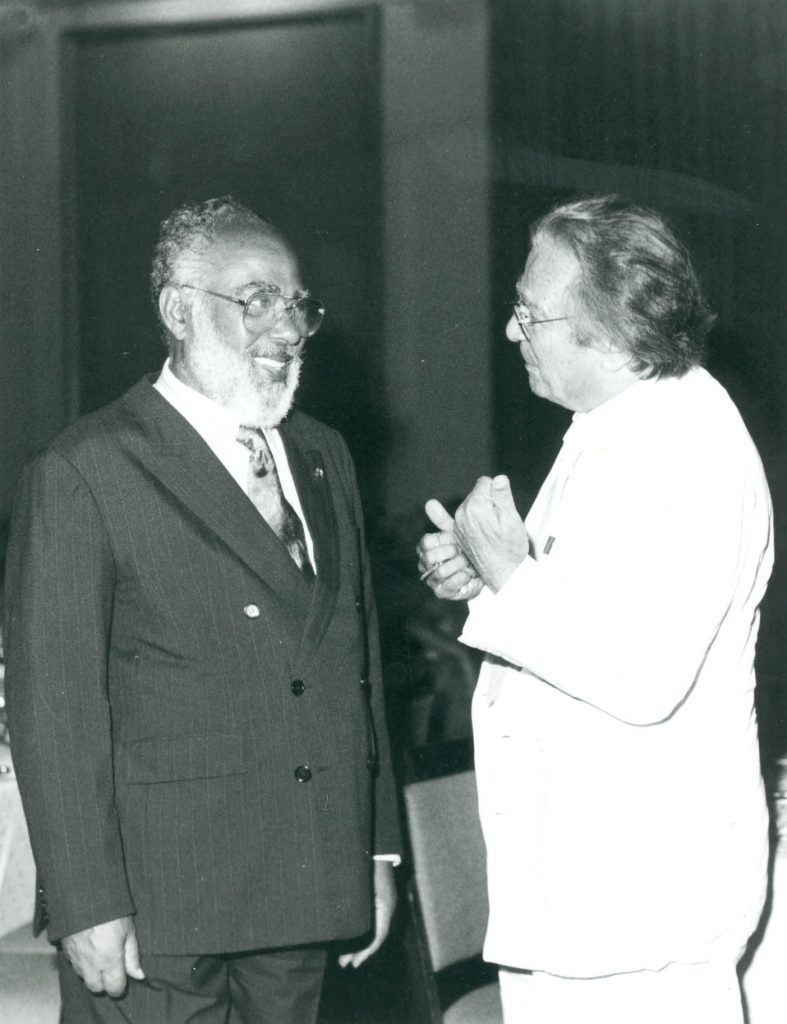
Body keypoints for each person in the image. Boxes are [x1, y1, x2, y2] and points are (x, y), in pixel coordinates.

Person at [4, 196, 401, 1024]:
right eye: (256, 298)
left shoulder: (322, 454)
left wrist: (374, 845)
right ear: (179, 311)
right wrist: (84, 902)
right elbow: (56, 709)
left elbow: (351, 668)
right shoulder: (87, 468)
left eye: (298, 304)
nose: (287, 327)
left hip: (304, 884)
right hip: (159, 906)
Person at [417, 195, 773, 1024]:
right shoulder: (614, 423)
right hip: (582, 906)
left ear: (610, 333)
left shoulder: (687, 450)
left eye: (527, 314)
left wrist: (512, 576)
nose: (511, 333)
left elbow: (643, 675)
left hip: (636, 908)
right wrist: (487, 572)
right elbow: (589, 609)